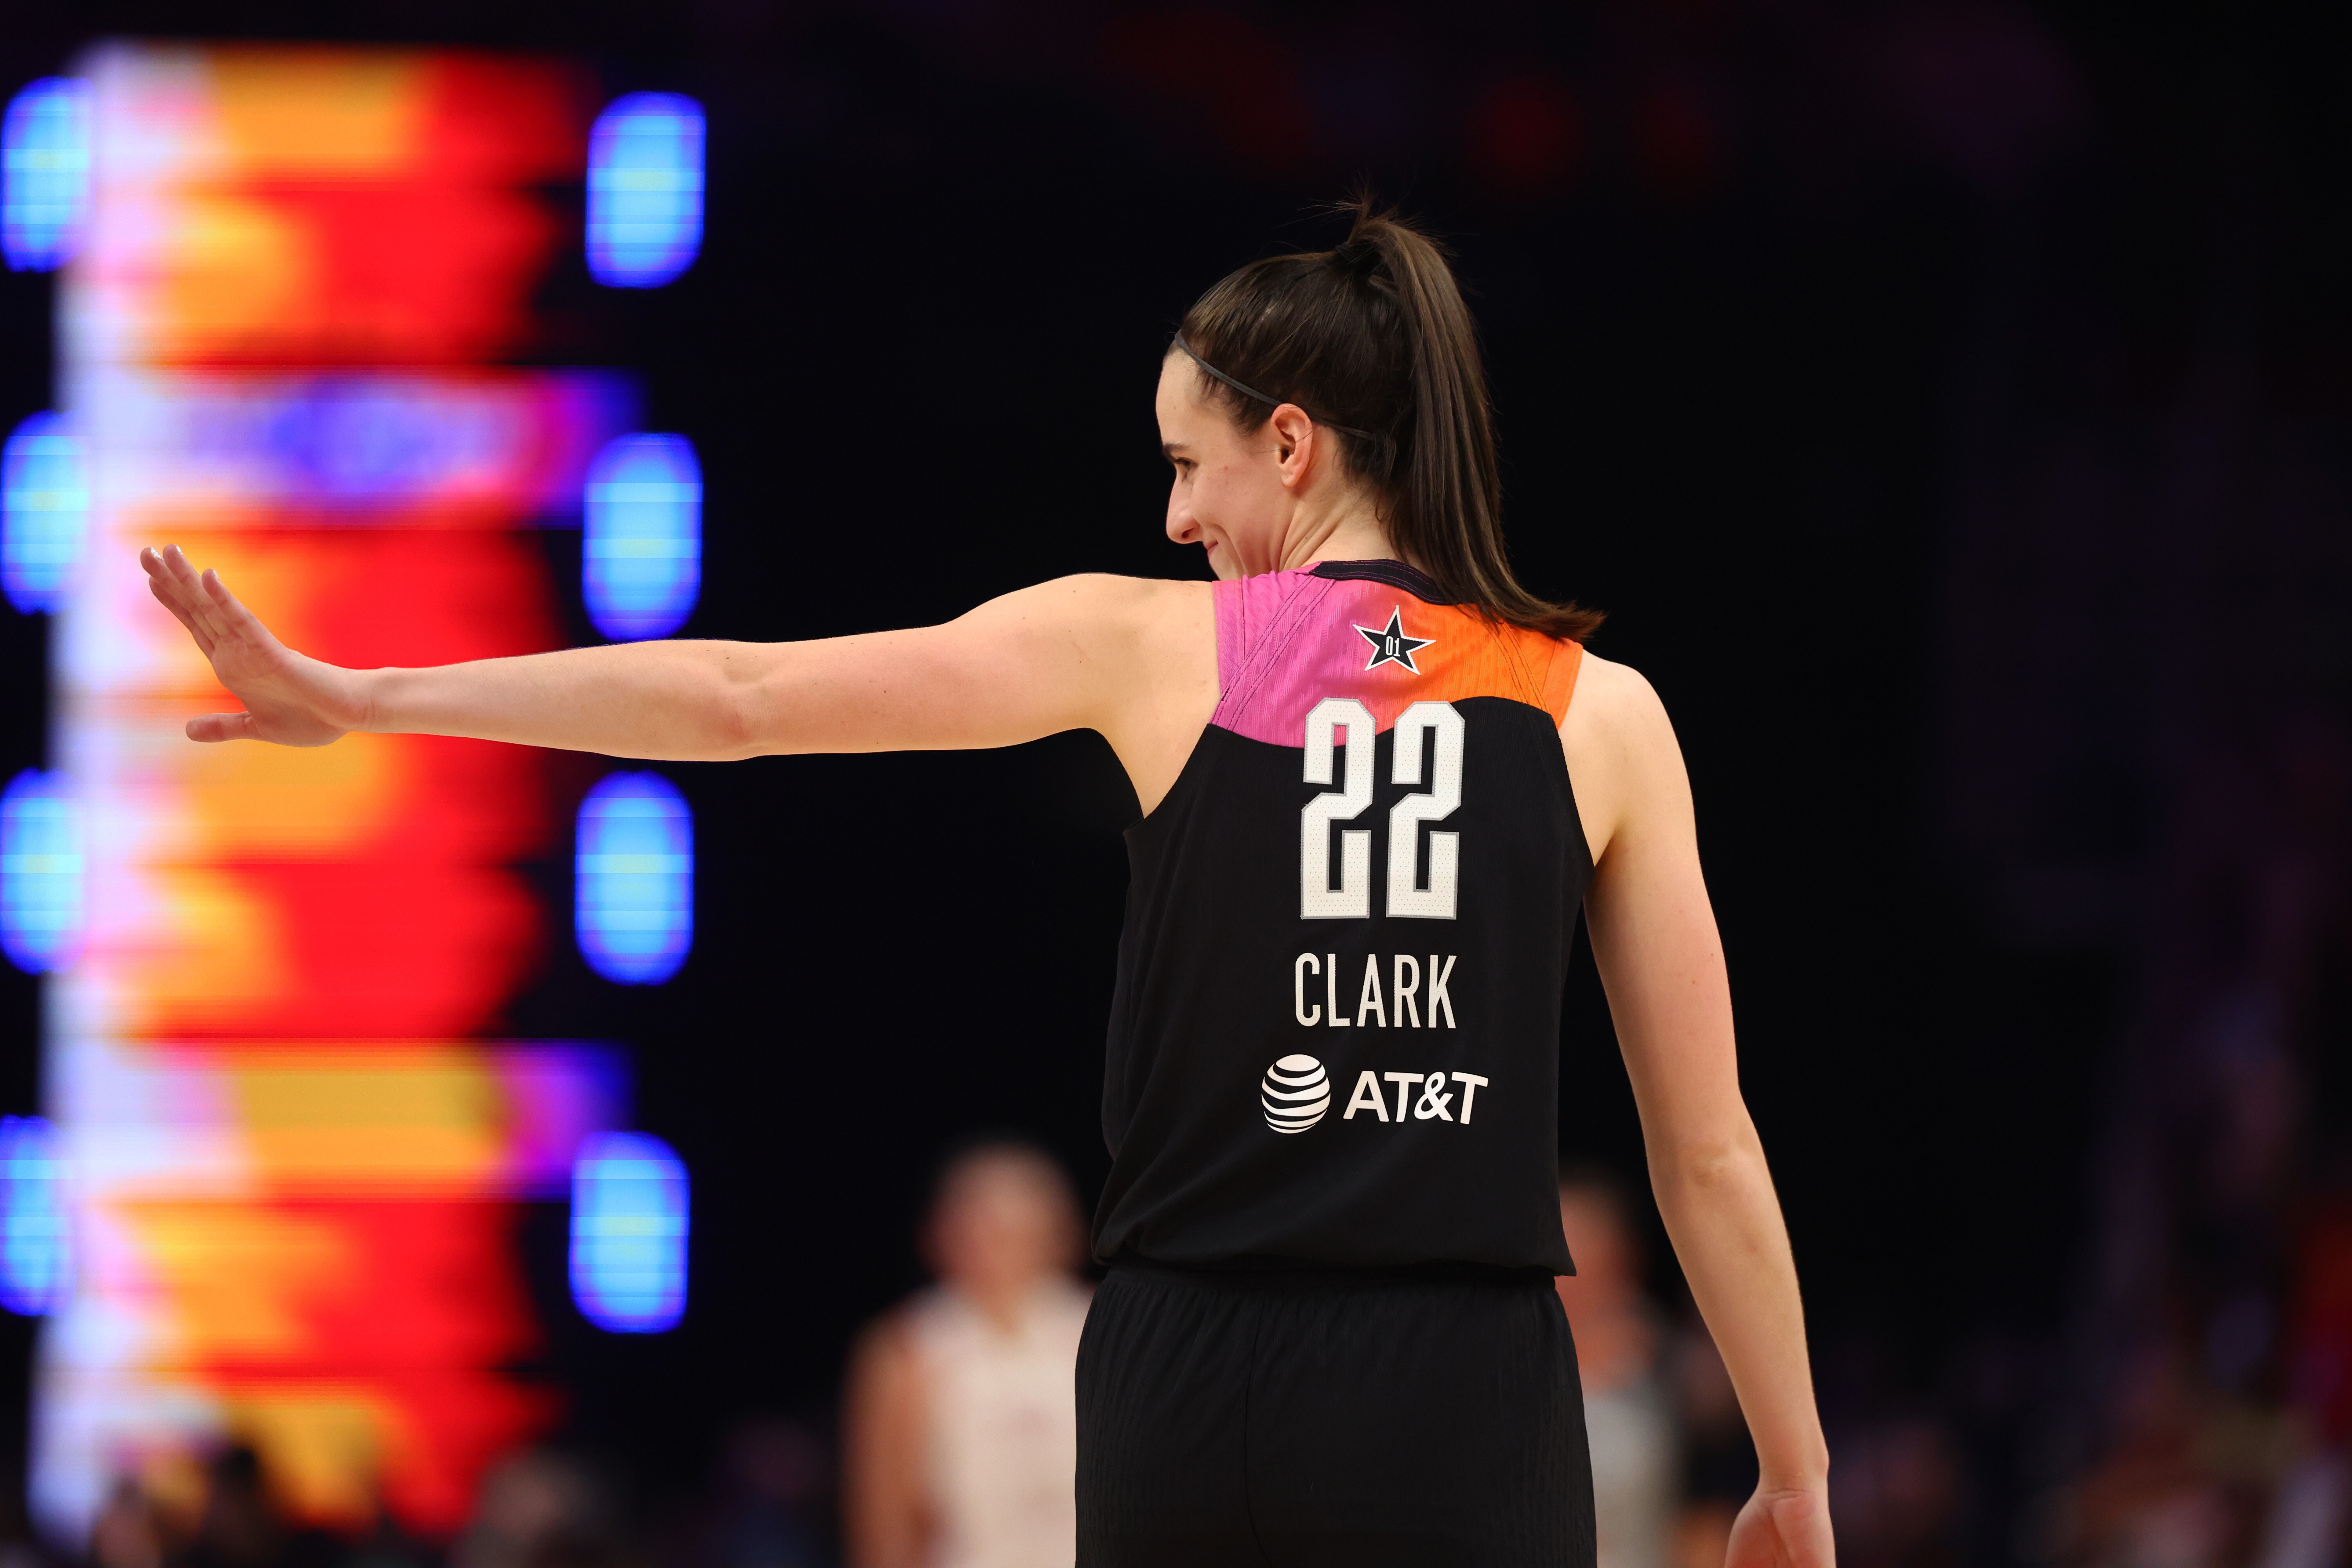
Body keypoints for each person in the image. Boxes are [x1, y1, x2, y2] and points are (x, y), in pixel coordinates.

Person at [139, 196, 1835, 1568]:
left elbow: (738, 700)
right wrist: (1790, 1469)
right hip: (1466, 1393)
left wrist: (371, 696)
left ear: (1295, 446)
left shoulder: (1157, 648)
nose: (1177, 515)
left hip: (1195, 1375)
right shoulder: (1597, 710)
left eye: (1191, 464)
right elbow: (1705, 1150)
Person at [842, 1141, 1093, 1568]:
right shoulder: (909, 1345)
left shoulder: (1097, 1328)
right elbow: (884, 1520)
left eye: (1019, 1232)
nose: (998, 1250)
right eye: (982, 1230)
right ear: (941, 1236)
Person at [1556, 1176, 1678, 1568]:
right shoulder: (1496, 1368)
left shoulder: (1669, 1364)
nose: (1564, 1268)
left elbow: (1706, 1519)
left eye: (1582, 1244)